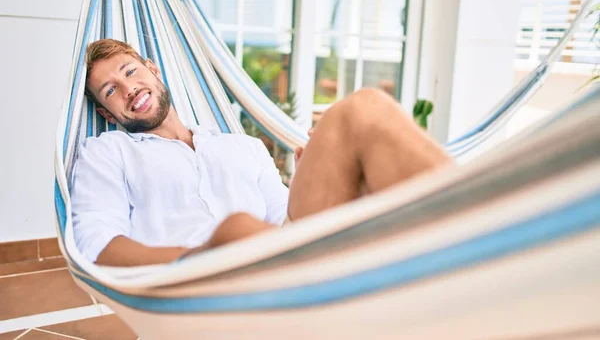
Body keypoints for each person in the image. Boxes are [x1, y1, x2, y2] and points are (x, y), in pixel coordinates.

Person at [72, 39, 452, 267]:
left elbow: (283, 221)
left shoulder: (243, 147)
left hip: (287, 262)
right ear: (107, 113)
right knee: (237, 229)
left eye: (131, 71)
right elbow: (96, 244)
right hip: (196, 285)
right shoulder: (108, 153)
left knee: (364, 108)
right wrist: (203, 257)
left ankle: (467, 230)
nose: (128, 88)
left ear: (153, 70)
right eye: (110, 90)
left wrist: (310, 184)